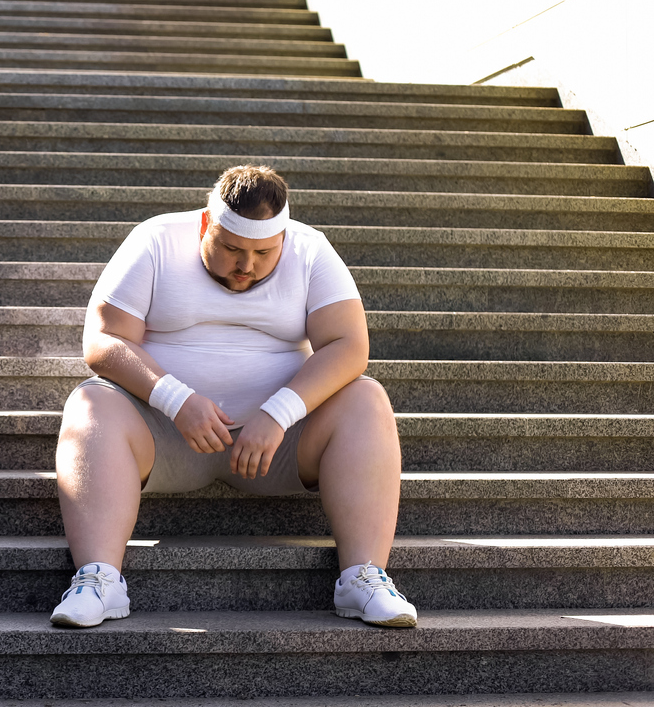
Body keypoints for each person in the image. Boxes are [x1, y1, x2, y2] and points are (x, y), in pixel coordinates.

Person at [50, 164, 416, 628]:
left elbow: (349, 346)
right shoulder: (156, 239)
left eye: (264, 252)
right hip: (163, 436)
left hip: (278, 447)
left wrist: (278, 413)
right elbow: (103, 340)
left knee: (367, 398)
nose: (246, 265)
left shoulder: (310, 248)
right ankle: (98, 579)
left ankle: (364, 577)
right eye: (231, 248)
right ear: (206, 224)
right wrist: (175, 399)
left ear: (283, 237)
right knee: (91, 401)